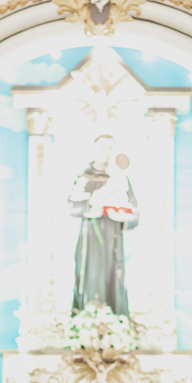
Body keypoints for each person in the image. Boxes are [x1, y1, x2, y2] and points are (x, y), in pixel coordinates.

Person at [68, 134, 138, 316]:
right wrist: (92, 205)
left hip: (113, 237)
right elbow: (71, 206)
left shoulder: (120, 179)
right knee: (91, 276)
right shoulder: (84, 177)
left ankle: (116, 321)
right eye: (102, 147)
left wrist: (121, 214)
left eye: (110, 147)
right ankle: (87, 320)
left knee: (112, 276)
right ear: (94, 149)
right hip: (90, 236)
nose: (106, 152)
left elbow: (134, 212)